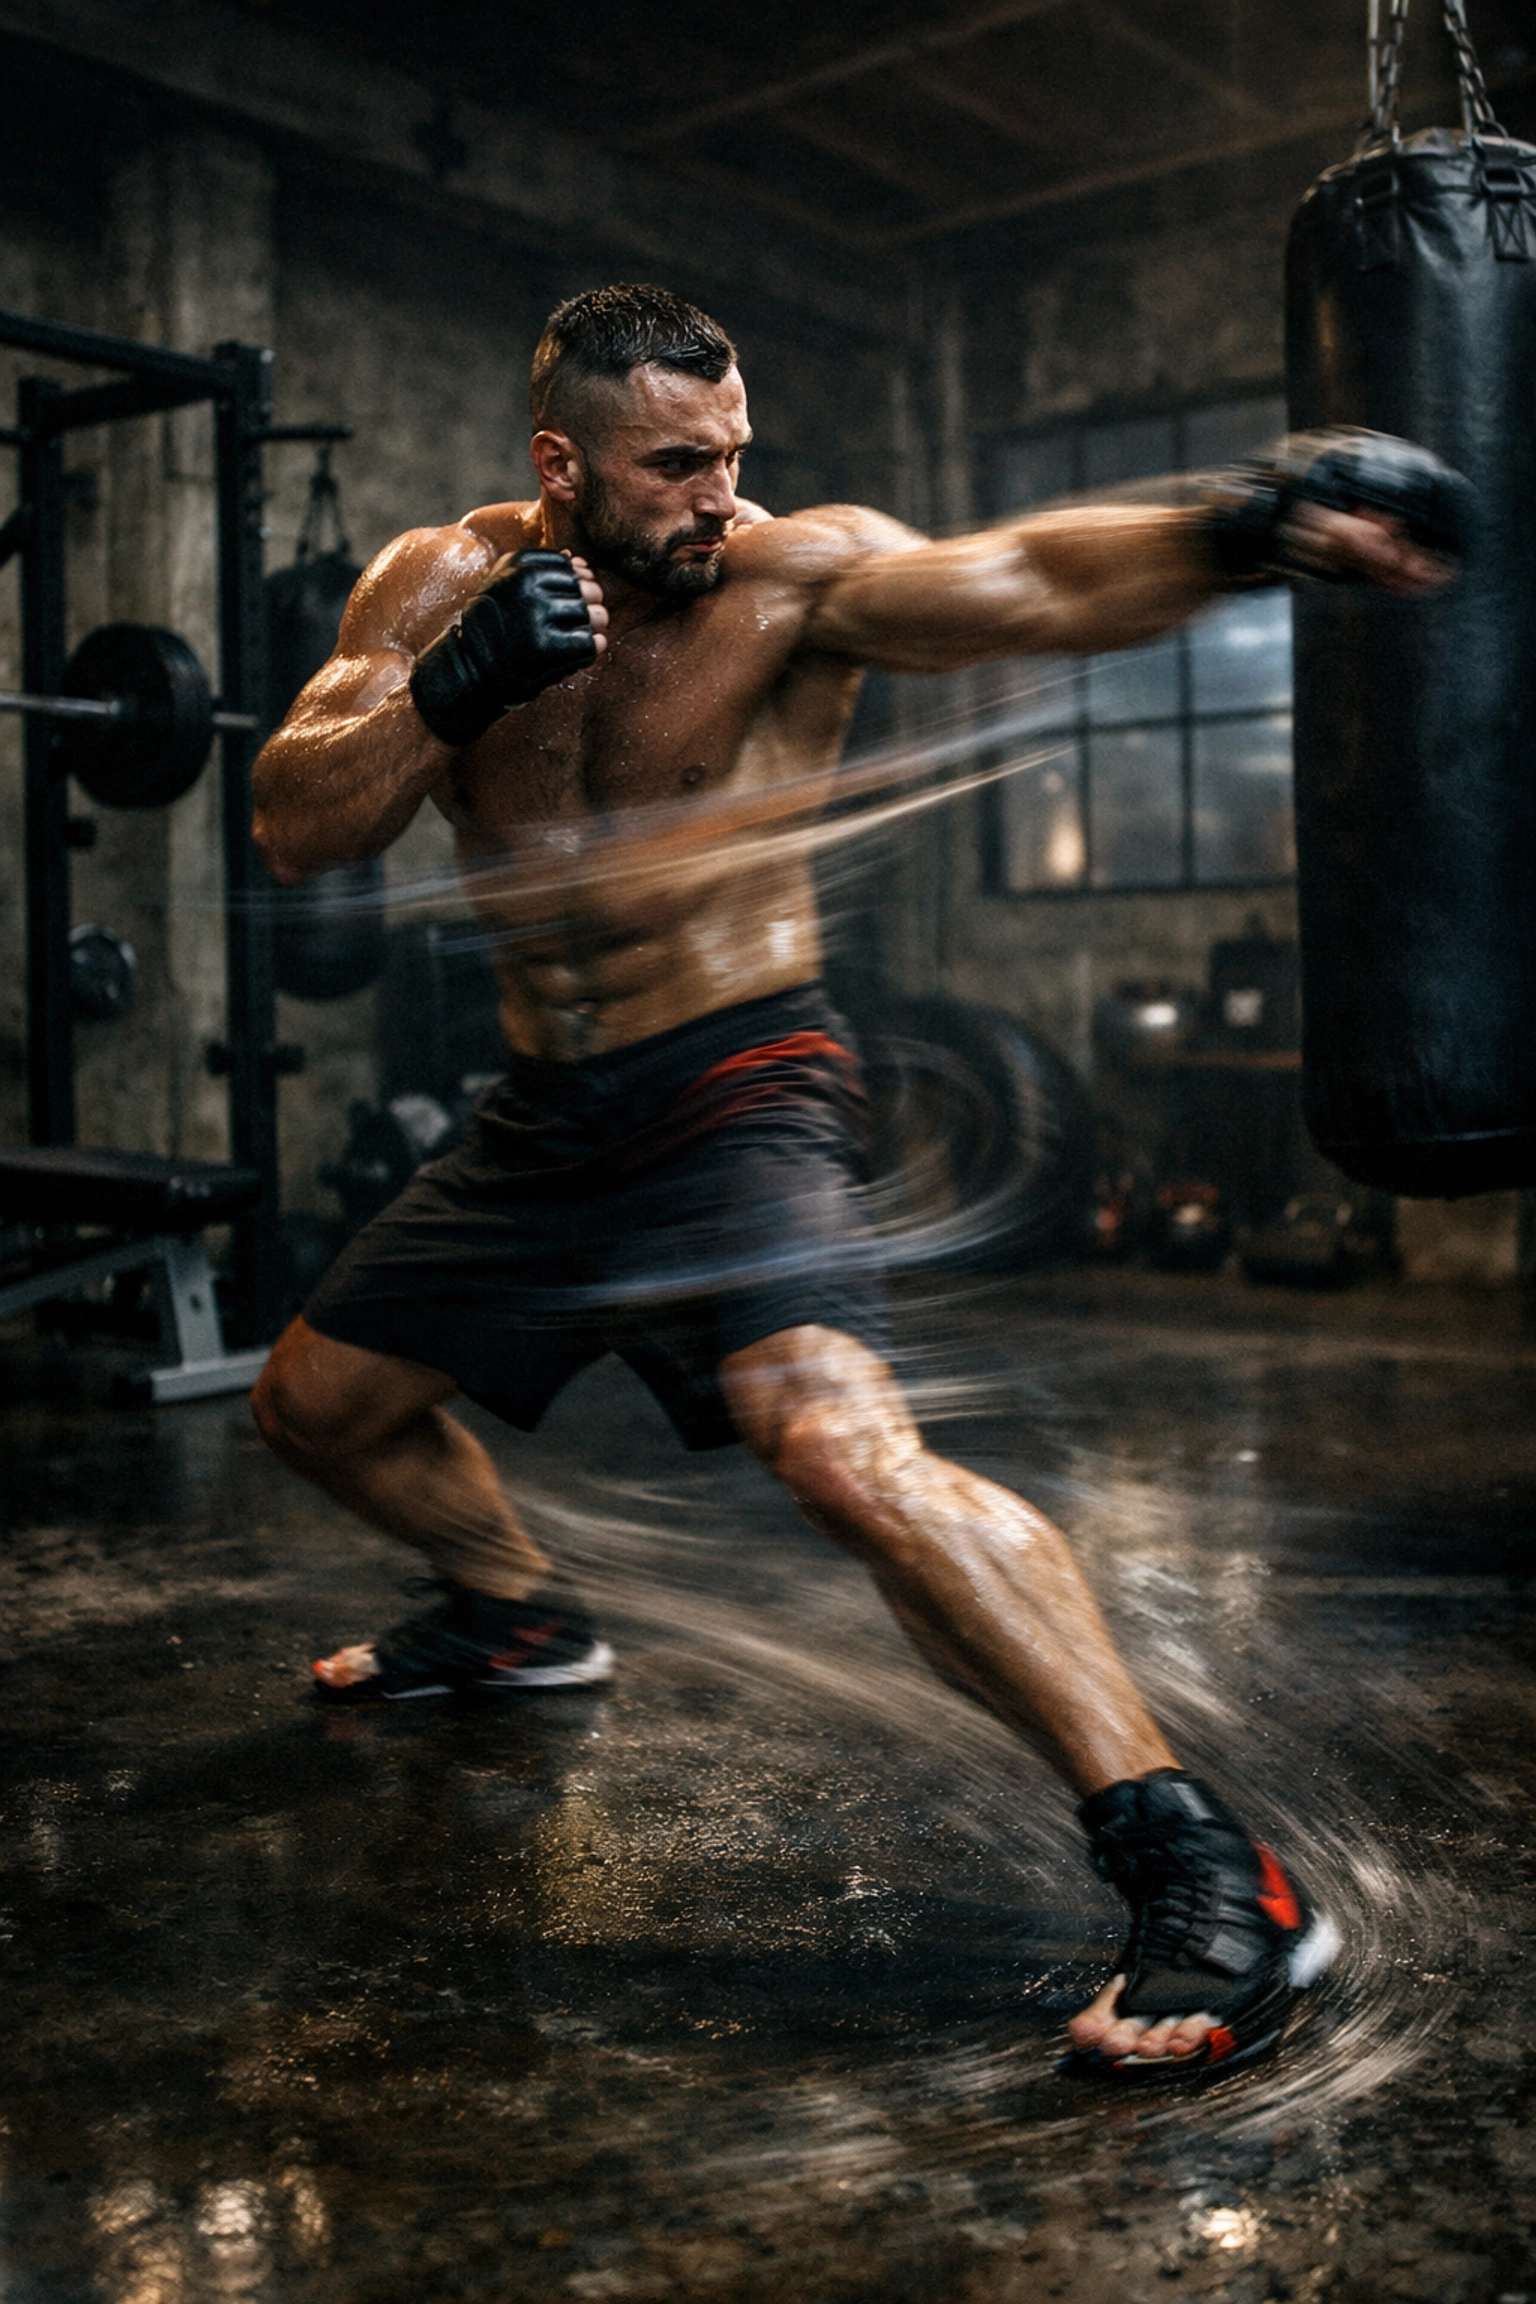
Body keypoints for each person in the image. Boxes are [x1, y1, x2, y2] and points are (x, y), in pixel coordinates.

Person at [250, 283, 1462, 2080]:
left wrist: (1247, 524)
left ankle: (1205, 1866)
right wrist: (455, 683)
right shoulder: (437, 584)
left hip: (740, 1079)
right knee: (315, 1407)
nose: (716, 498)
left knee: (831, 1441)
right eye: (675, 467)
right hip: (547, 1114)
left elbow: (1036, 580)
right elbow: (296, 821)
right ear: (559, 465)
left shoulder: (787, 578)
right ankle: (514, 1616)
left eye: (733, 455)